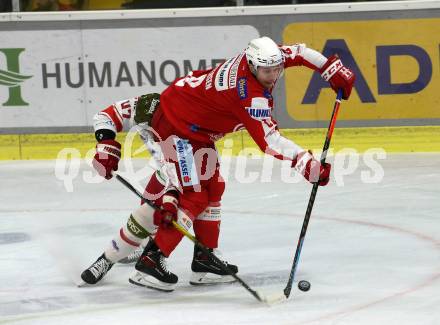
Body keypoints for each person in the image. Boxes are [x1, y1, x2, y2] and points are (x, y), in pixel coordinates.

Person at [80, 36, 355, 292]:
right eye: (266, 72)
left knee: (214, 186)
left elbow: (298, 52)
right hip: (181, 133)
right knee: (194, 195)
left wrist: (329, 68)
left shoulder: (259, 61)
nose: (272, 76)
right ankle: (152, 262)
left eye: (275, 70)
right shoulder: (249, 95)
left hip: (195, 133)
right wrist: (305, 163)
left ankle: (204, 259)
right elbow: (268, 140)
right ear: (251, 65)